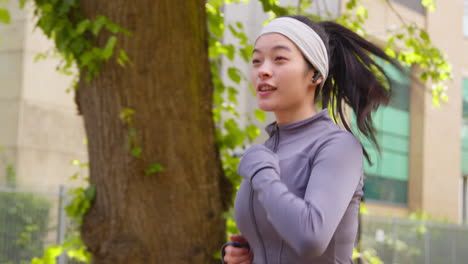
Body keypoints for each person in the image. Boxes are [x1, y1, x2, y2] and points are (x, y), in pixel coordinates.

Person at [221, 15, 403, 264]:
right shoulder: (264, 152)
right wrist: (242, 256)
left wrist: (261, 171)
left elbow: (310, 238)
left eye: (279, 59)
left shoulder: (338, 146)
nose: (263, 70)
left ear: (315, 75)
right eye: (256, 61)